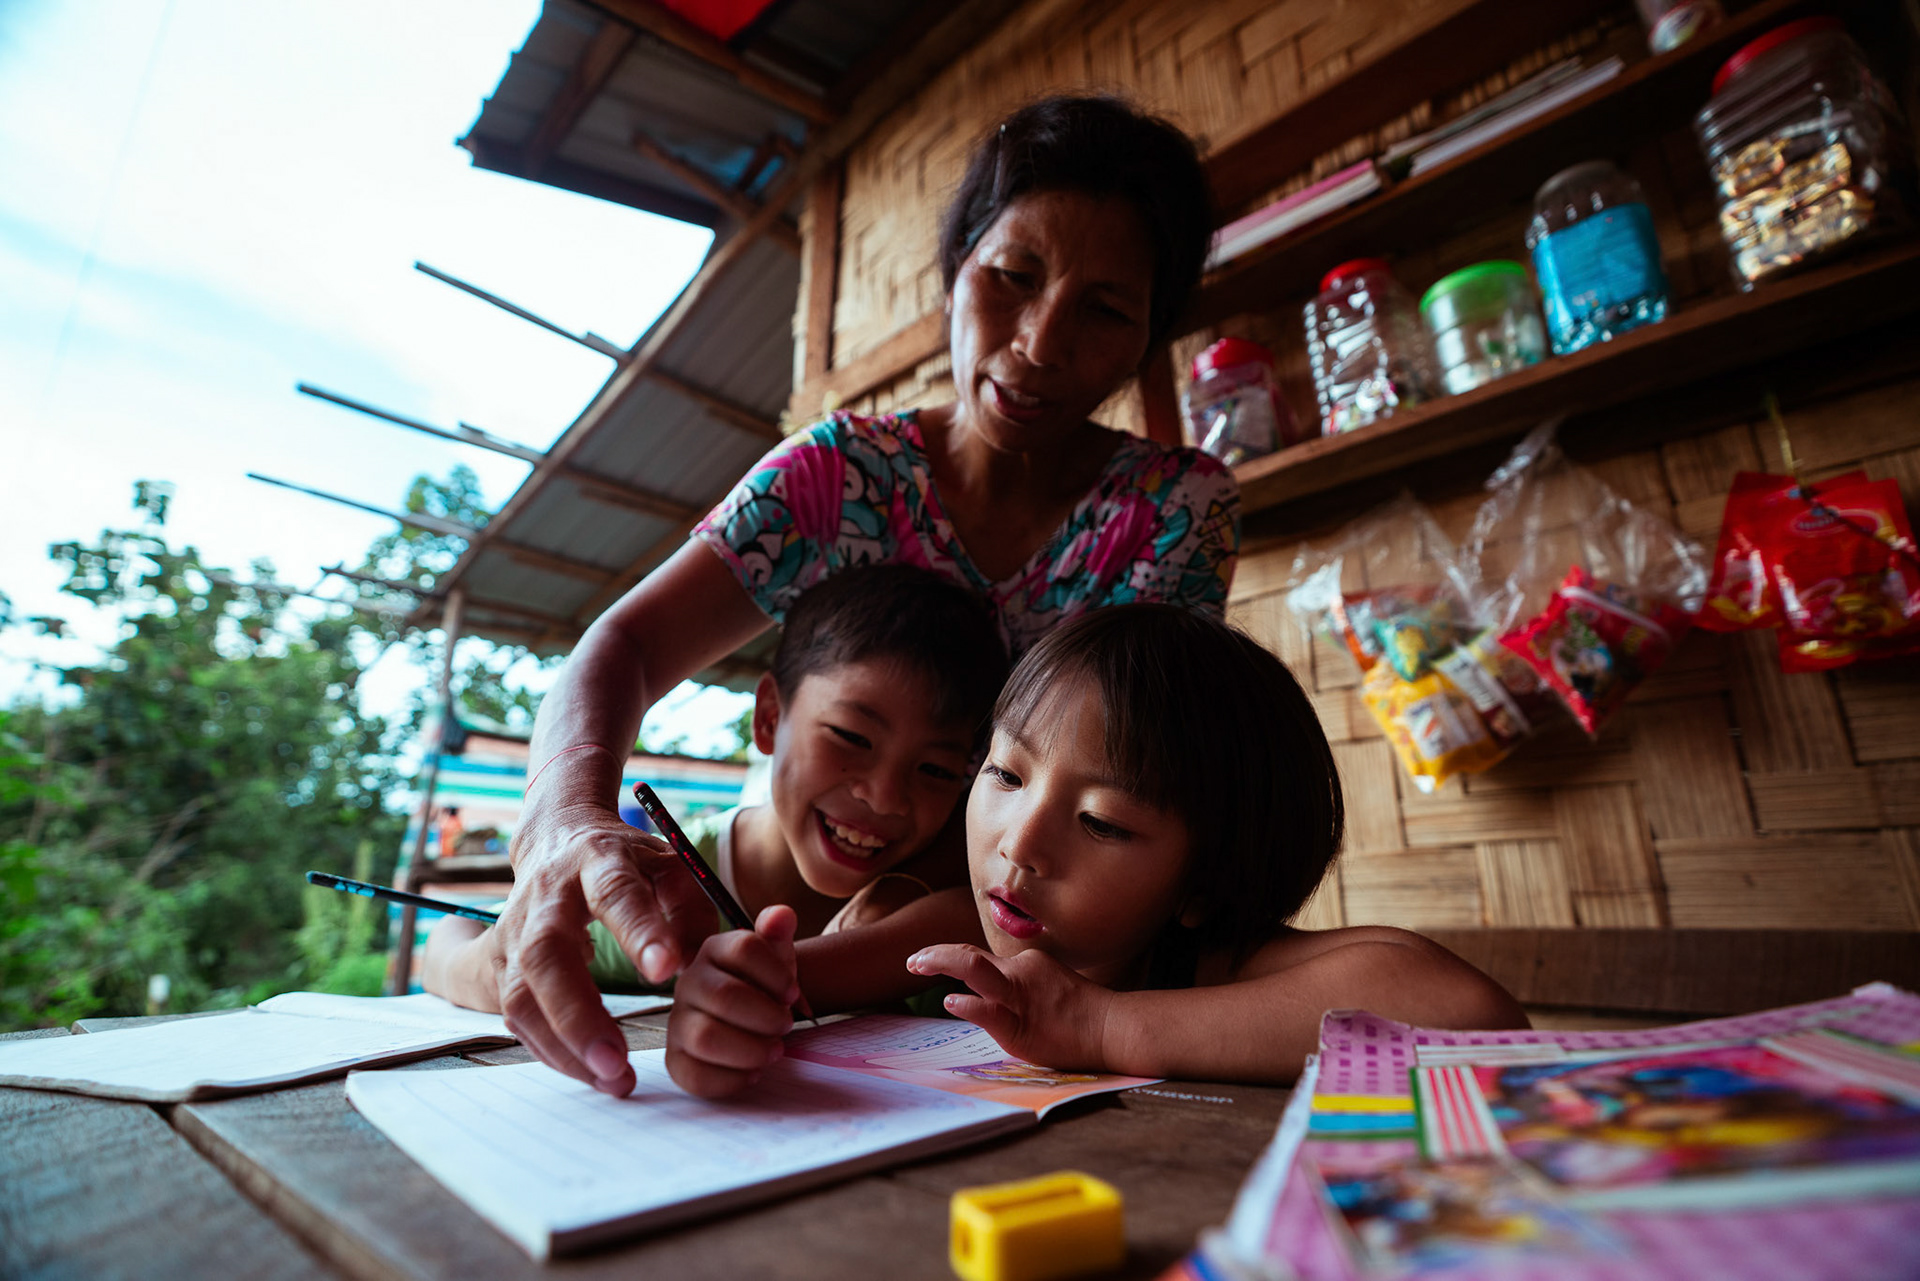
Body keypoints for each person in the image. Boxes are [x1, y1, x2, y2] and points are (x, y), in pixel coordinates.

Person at [499, 94, 1238, 1095]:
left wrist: (784, 972)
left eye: (1104, 311)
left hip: (1029, 966)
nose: (1039, 345)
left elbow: (1123, 803)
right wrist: (564, 819)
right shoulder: (836, 475)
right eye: (1011, 279)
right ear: (955, 274)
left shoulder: (1173, 512)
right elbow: (622, 647)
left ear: (1149, 336)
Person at [664, 605, 1526, 1096]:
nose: (1021, 842)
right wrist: (725, 1005)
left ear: (1202, 881)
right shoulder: (947, 931)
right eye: (1004, 773)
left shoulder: (1206, 962)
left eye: (1104, 821)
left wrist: (1102, 1023)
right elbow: (783, 981)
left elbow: (1466, 1011)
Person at [420, 566, 1008, 1011]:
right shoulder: (661, 891)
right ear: (770, 718)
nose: (884, 797)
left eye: (934, 770)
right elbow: (455, 933)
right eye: (851, 737)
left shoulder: (962, 906)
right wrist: (494, 970)